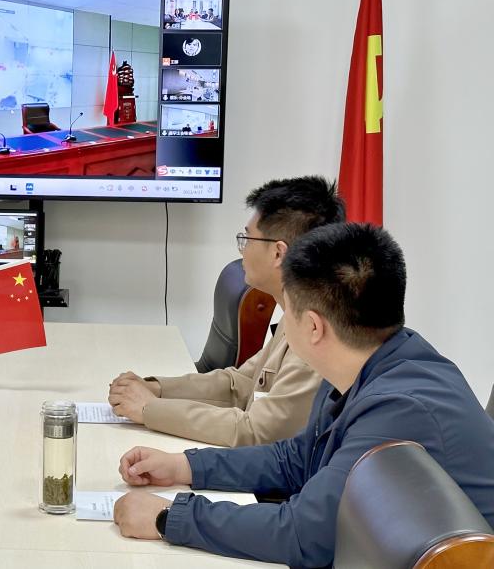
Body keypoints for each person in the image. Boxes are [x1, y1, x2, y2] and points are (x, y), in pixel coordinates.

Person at [112, 223, 494, 567]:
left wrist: (168, 518)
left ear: (313, 326)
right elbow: (297, 459)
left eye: (287, 311)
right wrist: (186, 466)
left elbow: (303, 535)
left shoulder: (401, 409)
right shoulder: (368, 359)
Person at [108, 176, 345, 447]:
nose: (243, 250)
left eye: (248, 239)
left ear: (278, 253)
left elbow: (256, 432)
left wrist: (149, 409)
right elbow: (239, 384)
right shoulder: (296, 313)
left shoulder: (316, 336)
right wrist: (157, 389)